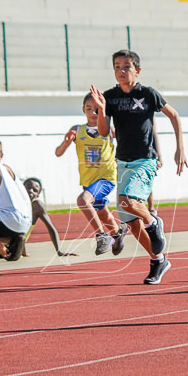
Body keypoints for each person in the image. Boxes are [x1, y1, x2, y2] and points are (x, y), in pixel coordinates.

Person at [90, 49, 187, 285]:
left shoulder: (148, 94)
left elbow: (173, 115)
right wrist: (101, 109)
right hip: (122, 161)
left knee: (128, 200)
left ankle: (154, 223)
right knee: (132, 223)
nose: (121, 71)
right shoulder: (110, 97)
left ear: (137, 70)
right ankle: (158, 260)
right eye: (116, 67)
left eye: (126, 67)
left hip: (145, 159)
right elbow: (103, 132)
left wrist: (179, 148)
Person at [55, 92, 126, 256]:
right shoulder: (77, 130)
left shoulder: (108, 130)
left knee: (83, 200)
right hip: (88, 180)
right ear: (83, 110)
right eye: (89, 109)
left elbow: (125, 144)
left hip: (106, 177)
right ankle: (117, 233)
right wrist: (66, 143)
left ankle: (102, 236)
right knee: (102, 213)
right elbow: (58, 153)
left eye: (97, 109)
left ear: (103, 110)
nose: (93, 113)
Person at [20, 177, 76, 258]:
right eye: (28, 187)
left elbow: (51, 228)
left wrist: (59, 251)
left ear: (38, 195)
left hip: (12, 247)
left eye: (35, 190)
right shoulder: (11, 201)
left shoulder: (36, 206)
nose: (30, 191)